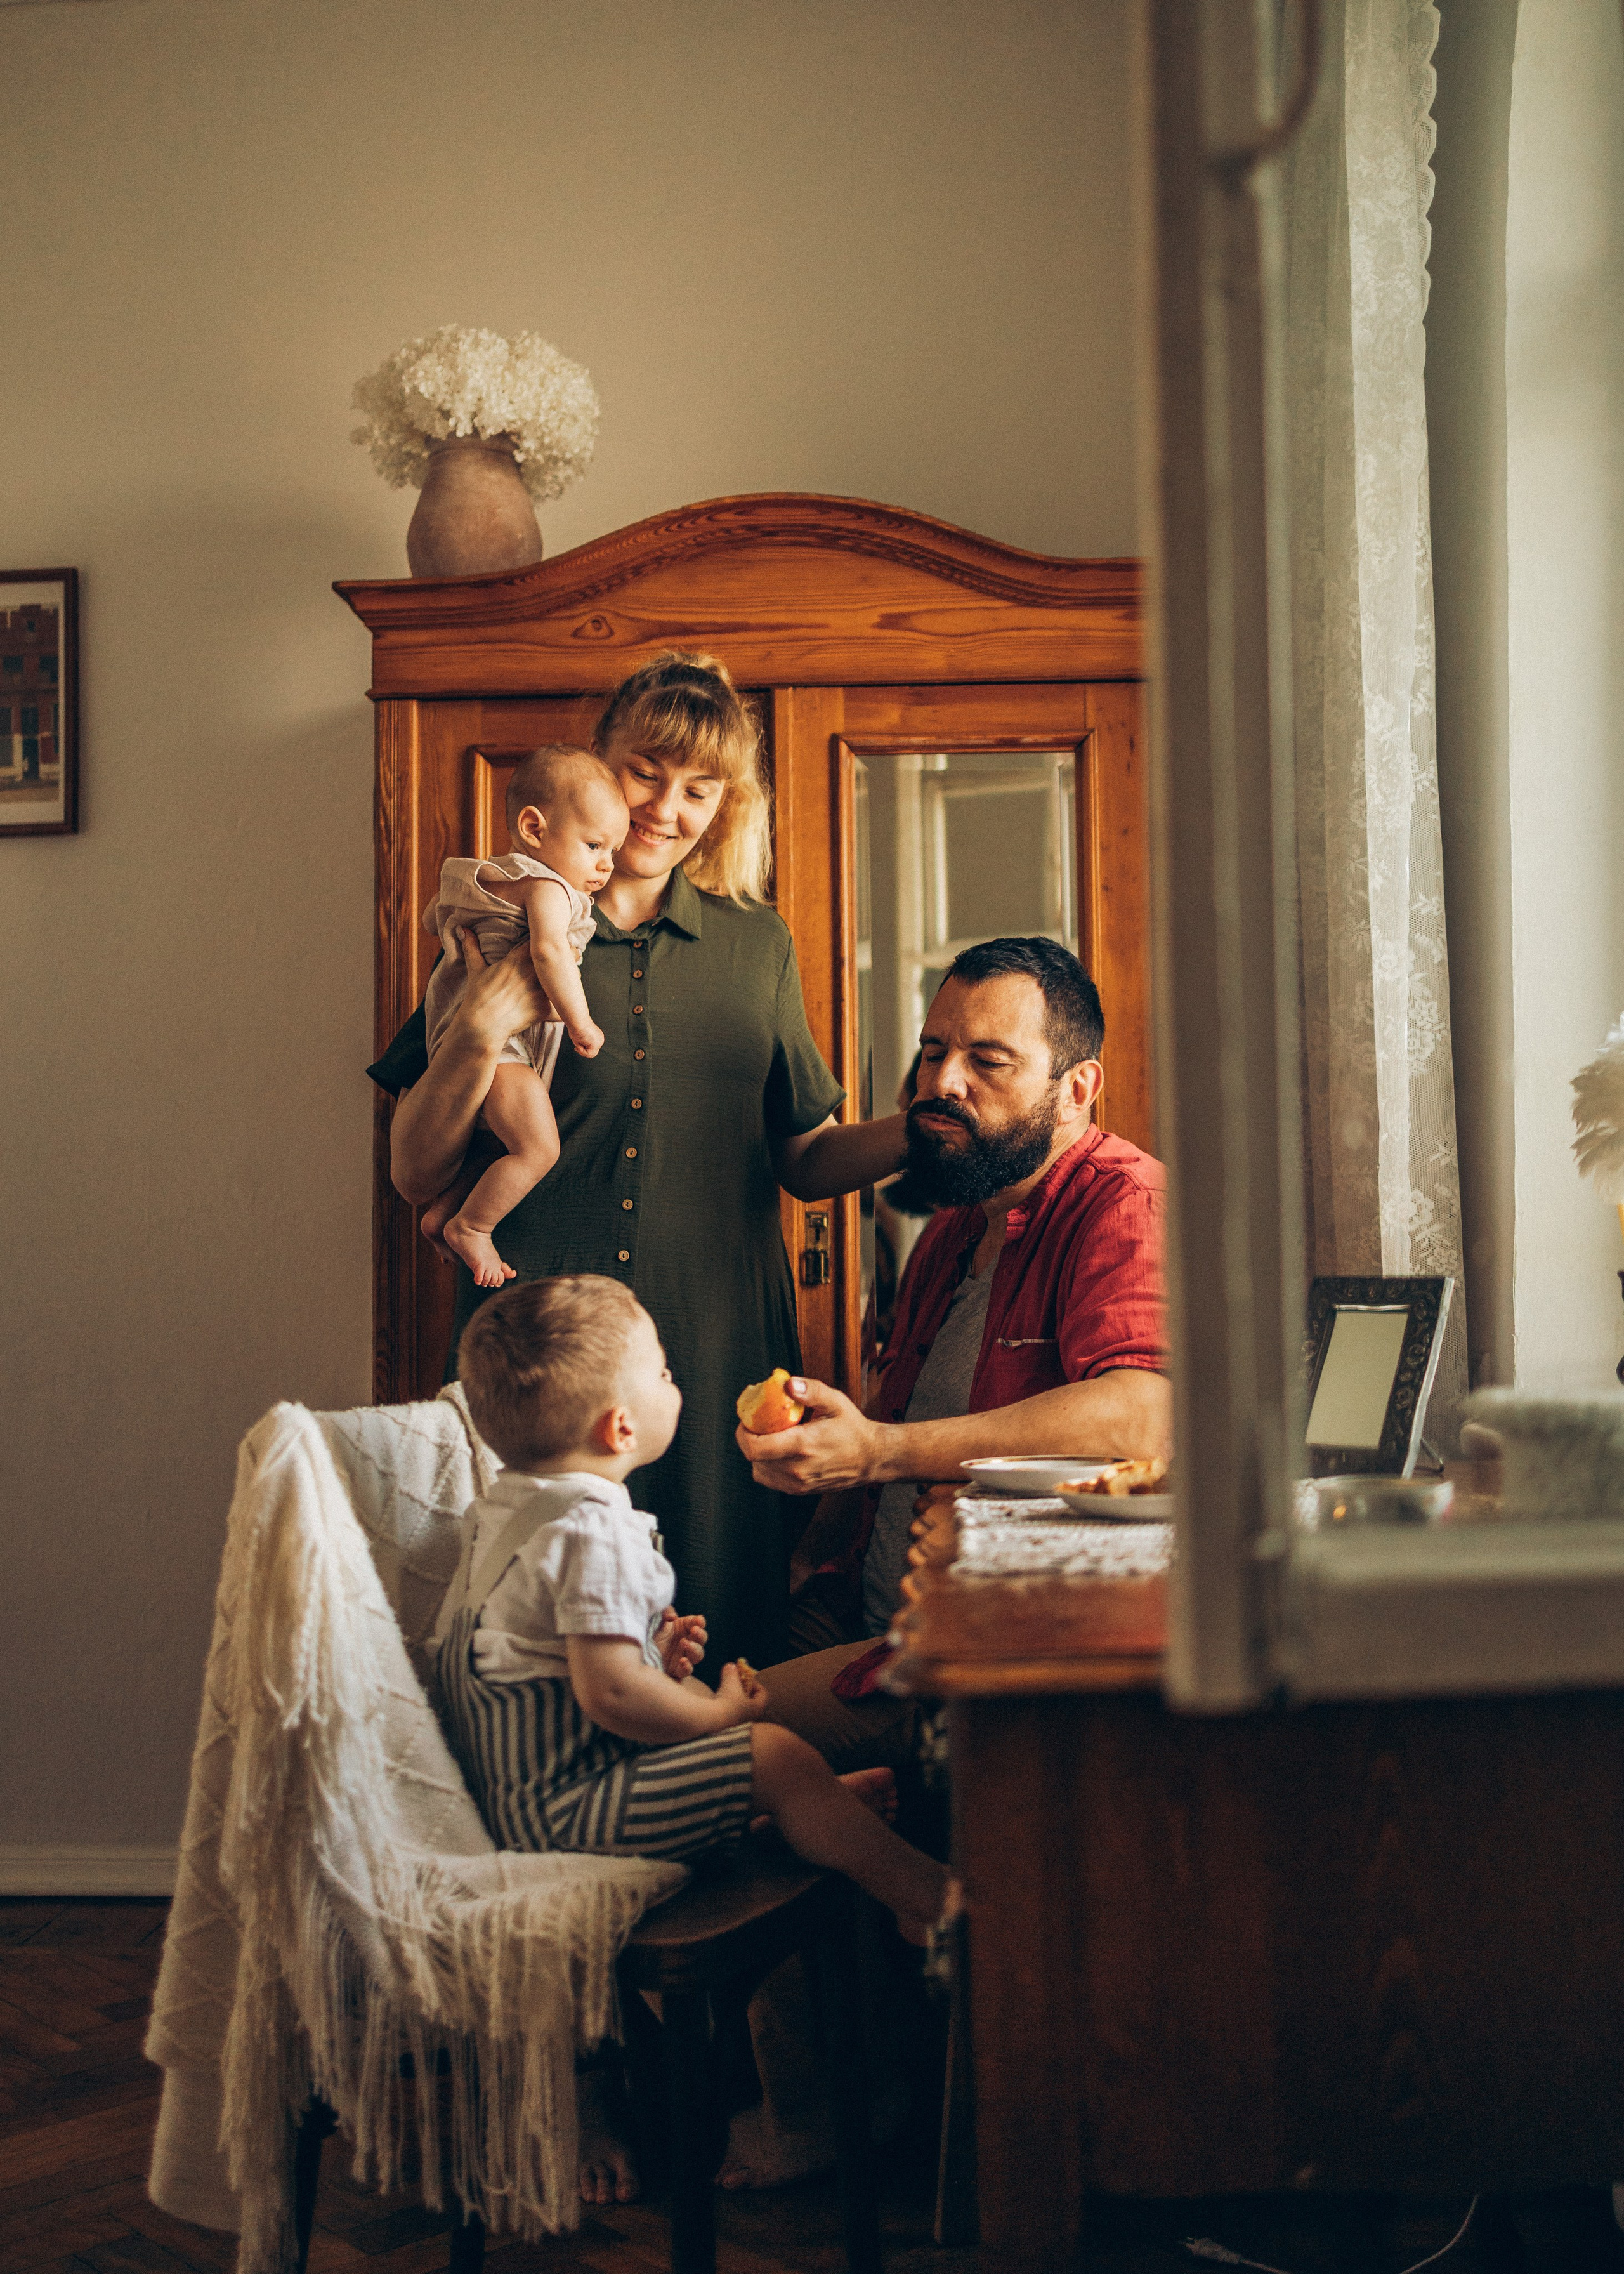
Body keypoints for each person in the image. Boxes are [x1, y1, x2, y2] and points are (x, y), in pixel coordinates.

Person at [372, 652, 907, 1679]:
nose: (667, 808)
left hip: (711, 1356)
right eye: (646, 771)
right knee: (525, 1644)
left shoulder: (757, 943)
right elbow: (413, 1172)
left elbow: (802, 1156)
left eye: (700, 788)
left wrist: (926, 1124)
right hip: (533, 1352)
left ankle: (717, 1834)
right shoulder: (503, 919)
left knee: (717, 1637)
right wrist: (481, 1032)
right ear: (594, 765)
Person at [742, 936, 1170, 1771]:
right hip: (853, 1598)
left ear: (1076, 1089)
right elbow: (891, 1417)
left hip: (957, 1644)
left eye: (989, 1060)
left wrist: (878, 1454)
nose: (941, 1082)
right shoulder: (954, 1226)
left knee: (697, 1752)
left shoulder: (1125, 1204)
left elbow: (1143, 1414)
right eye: (935, 1051)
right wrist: (805, 1554)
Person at [436, 1272, 953, 1949]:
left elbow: (553, 1656)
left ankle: (789, 1816)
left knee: (696, 1694)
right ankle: (926, 1896)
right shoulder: (596, 1534)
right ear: (620, 1426)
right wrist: (721, 1713)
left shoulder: (508, 1508)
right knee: (770, 1750)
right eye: (664, 1371)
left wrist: (655, 1651)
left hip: (501, 1791)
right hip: (558, 1814)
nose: (673, 1383)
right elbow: (615, 1691)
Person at [419, 747, 628, 1287]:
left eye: (614, 849)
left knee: (494, 1143)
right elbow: (550, 955)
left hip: (464, 1040)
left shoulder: (491, 880)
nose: (607, 864)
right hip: (505, 1049)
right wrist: (582, 1023)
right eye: (595, 845)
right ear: (534, 828)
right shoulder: (548, 888)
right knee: (538, 1147)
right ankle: (474, 1226)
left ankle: (442, 1214)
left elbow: (433, 920)